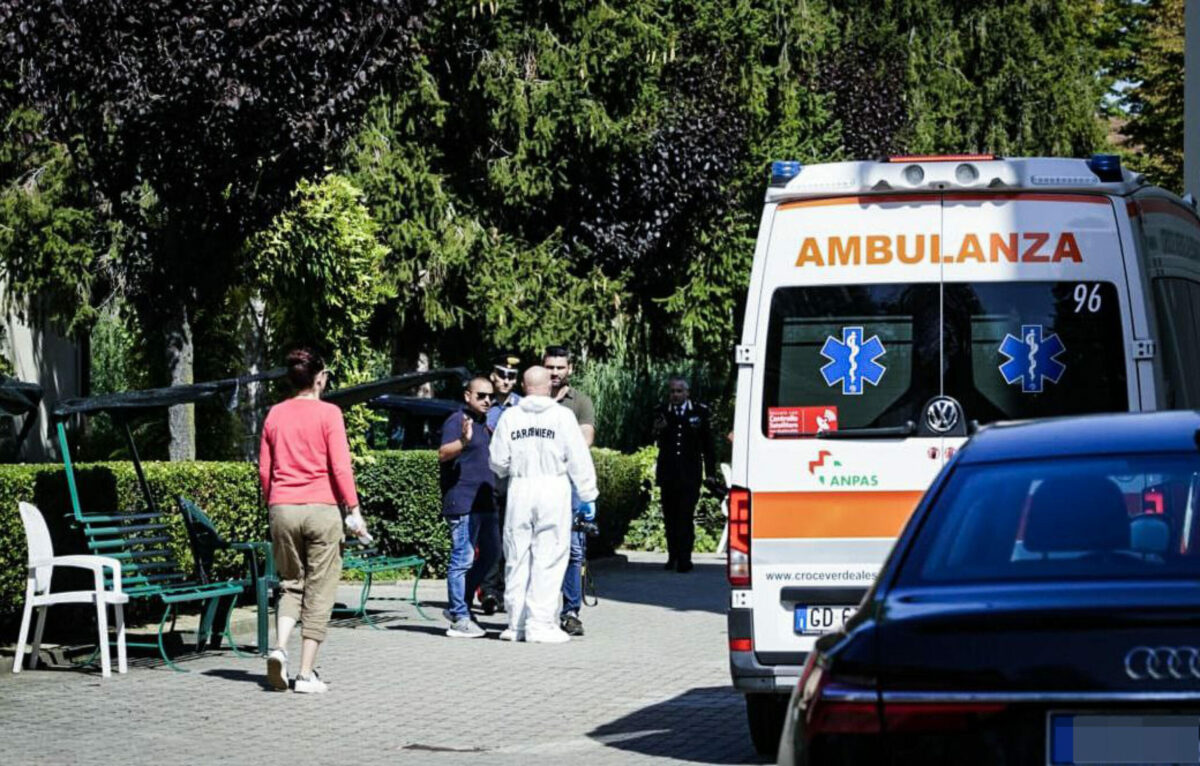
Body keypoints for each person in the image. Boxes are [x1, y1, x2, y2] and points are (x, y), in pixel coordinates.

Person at [259, 347, 369, 694]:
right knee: (319, 590)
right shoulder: (330, 414)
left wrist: (274, 503)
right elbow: (339, 466)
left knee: (291, 582)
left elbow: (265, 469)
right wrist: (353, 509)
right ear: (320, 378)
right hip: (321, 509)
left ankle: (279, 648)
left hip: (283, 507)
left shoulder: (274, 414)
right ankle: (306, 674)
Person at [489, 366, 598, 643]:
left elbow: (497, 462)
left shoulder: (511, 417)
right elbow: (578, 458)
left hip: (521, 488)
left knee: (516, 555)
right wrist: (588, 494)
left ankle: (516, 624)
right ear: (549, 385)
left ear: (523, 387)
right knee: (549, 555)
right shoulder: (562, 417)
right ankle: (541, 623)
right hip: (553, 487)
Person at [437, 375, 501, 638]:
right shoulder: (458, 420)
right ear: (467, 396)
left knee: (491, 554)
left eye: (490, 397)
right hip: (463, 502)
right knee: (462, 559)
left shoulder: (484, 424)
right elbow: (442, 453)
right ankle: (459, 616)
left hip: (485, 503)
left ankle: (460, 605)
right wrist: (463, 442)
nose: (487, 400)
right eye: (481, 396)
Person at [544, 345, 595, 637]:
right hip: (539, 484)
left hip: (570, 486)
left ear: (569, 369)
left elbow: (584, 440)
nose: (554, 372)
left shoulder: (580, 401)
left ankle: (571, 611)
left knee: (574, 550)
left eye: (560, 367)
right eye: (550, 367)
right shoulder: (529, 401)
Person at [653, 376, 716, 573]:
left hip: (690, 474)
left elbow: (708, 446)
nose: (675, 395)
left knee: (685, 516)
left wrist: (711, 473)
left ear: (687, 393)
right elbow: (648, 436)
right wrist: (657, 430)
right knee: (670, 517)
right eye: (672, 391)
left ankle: (685, 558)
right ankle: (672, 556)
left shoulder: (699, 412)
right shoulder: (661, 412)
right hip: (668, 474)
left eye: (679, 391)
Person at [479, 353, 522, 615]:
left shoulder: (523, 408)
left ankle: (508, 590)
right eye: (502, 375)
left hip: (514, 480)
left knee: (511, 538)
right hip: (488, 480)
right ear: (493, 376)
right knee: (489, 538)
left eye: (511, 377)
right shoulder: (485, 405)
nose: (506, 381)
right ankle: (489, 591)